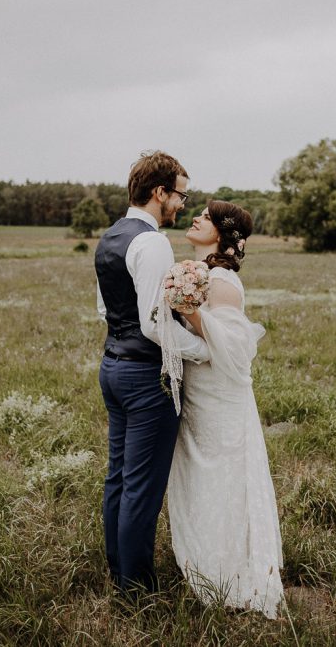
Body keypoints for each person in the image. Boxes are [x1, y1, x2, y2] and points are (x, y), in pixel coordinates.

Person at [95, 151, 210, 594]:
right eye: (180, 195)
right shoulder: (152, 242)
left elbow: (104, 309)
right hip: (146, 376)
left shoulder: (110, 237)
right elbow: (154, 323)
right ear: (160, 192)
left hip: (112, 367)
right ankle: (136, 587)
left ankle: (118, 570)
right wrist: (203, 350)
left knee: (119, 477)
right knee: (141, 487)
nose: (181, 204)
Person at [167, 200, 285, 618]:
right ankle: (203, 555)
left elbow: (236, 350)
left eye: (205, 217)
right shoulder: (201, 272)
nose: (195, 218)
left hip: (218, 393)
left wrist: (189, 310)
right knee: (200, 472)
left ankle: (228, 568)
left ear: (220, 233)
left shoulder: (221, 281)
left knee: (221, 473)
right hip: (199, 390)